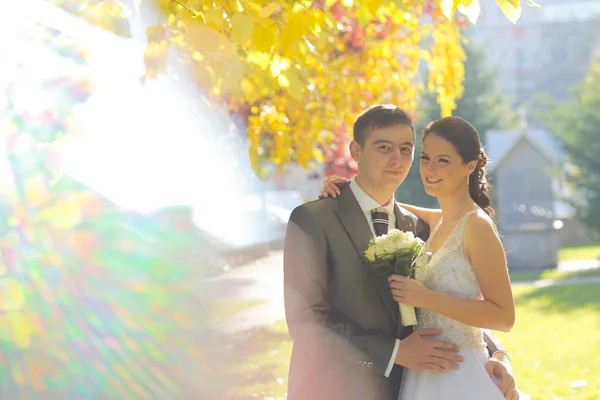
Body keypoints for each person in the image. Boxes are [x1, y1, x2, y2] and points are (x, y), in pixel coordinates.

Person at [285, 104, 517, 400]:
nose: (397, 160)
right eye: (384, 147)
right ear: (356, 151)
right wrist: (395, 352)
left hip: (420, 386)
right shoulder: (314, 219)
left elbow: (447, 310)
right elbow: (305, 324)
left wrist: (498, 354)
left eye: (406, 149)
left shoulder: (420, 227)